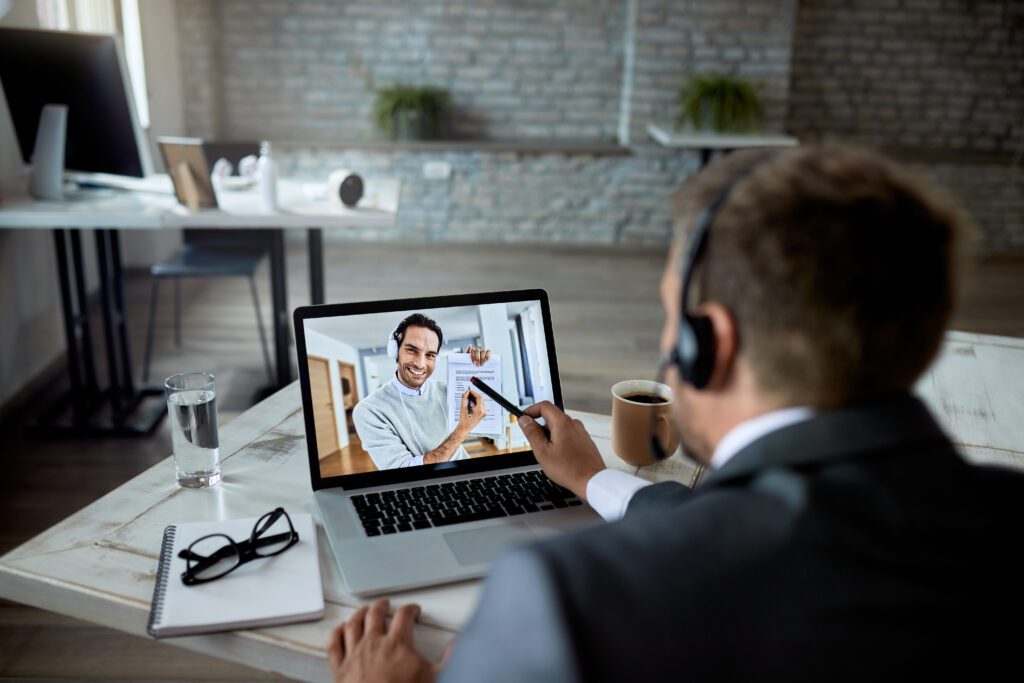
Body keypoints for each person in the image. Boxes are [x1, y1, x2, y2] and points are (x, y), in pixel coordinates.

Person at [327, 146, 1024, 681]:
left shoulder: (563, 596)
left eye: (669, 314)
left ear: (704, 343)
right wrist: (593, 479)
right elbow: (750, 523)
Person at [352, 313, 491, 470]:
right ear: (395, 351)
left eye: (430, 355)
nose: (420, 363)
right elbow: (404, 471)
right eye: (412, 350)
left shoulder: (447, 390)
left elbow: (486, 422)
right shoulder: (369, 410)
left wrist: (475, 371)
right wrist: (462, 430)